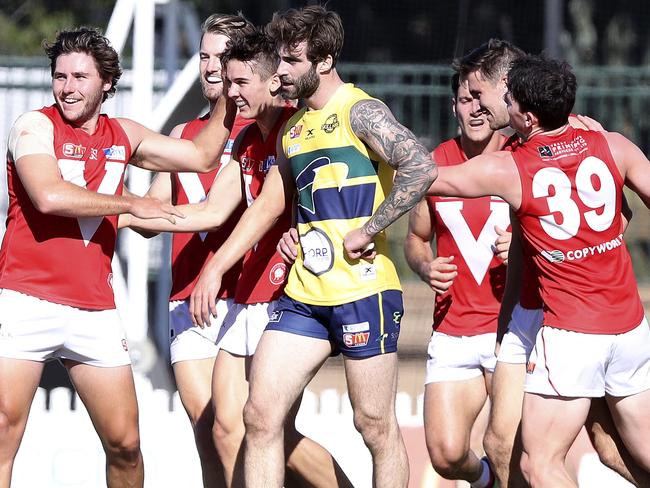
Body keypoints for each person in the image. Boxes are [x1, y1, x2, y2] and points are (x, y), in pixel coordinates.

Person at [188, 6, 438, 487]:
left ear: (323, 61)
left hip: (363, 290)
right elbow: (266, 206)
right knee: (259, 416)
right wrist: (219, 265)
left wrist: (369, 229)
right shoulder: (295, 129)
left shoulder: (361, 111)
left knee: (374, 426)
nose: (280, 71)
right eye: (278, 60)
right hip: (305, 293)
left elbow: (420, 166)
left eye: (291, 60)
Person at [0, 27, 233, 488]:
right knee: (5, 432)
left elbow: (203, 156)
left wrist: (226, 86)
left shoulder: (123, 134)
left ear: (107, 82)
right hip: (26, 300)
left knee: (126, 447)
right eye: (60, 76)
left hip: (94, 310)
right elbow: (48, 195)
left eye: (80, 77)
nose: (68, 87)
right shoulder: (33, 125)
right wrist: (131, 203)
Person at [124, 28, 352, 488]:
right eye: (214, 66)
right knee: (225, 428)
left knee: (272, 430)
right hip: (237, 294)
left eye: (237, 78)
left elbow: (329, 193)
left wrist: (309, 233)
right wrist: (123, 213)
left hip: (285, 297)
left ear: (272, 81)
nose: (227, 87)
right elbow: (210, 210)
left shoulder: (298, 129)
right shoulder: (241, 143)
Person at [419, 54, 650, 488]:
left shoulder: (514, 164)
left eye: (497, 94)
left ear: (523, 110)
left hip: (566, 327)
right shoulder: (610, 142)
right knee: (502, 445)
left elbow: (429, 179)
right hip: (626, 324)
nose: (486, 104)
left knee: (544, 462)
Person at [120, 13, 254, 487]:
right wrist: (109, 207)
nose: (211, 66)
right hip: (188, 298)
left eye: (222, 56)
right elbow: (157, 207)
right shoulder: (181, 137)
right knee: (206, 430)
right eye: (203, 56)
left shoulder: (264, 130)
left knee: (236, 430)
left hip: (247, 298)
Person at [403, 72, 507, 488]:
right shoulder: (435, 164)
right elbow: (415, 238)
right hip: (453, 328)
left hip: (511, 331)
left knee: (512, 449)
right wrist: (426, 267)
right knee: (446, 454)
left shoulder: (520, 158)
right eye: (466, 100)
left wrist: (521, 245)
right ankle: (484, 483)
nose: (475, 109)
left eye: (482, 100)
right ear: (454, 107)